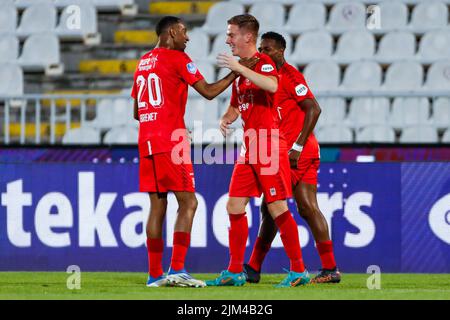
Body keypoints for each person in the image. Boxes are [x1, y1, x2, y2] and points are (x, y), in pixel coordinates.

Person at [131, 16, 258, 287]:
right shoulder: (177, 59)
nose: (187, 38)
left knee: (157, 205)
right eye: (185, 32)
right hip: (169, 140)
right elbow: (209, 92)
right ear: (173, 32)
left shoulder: (143, 62)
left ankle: (154, 276)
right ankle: (177, 269)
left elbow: (136, 112)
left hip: (147, 139)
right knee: (189, 202)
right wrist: (237, 70)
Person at [206, 14, 310, 288]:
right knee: (234, 204)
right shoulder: (242, 71)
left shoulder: (264, 64)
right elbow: (236, 104)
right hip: (249, 146)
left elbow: (272, 85)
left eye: (232, 34)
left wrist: (239, 69)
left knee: (277, 207)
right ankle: (233, 271)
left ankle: (299, 271)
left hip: (270, 145)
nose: (228, 39)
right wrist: (226, 117)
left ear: (247, 37)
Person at [243, 32, 341, 284]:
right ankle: (329, 269)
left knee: (273, 206)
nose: (263, 53)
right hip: (294, 151)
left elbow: (314, 108)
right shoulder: (268, 77)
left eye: (268, 49)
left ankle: (253, 267)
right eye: (261, 48)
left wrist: (296, 146)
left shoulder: (290, 76)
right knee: (305, 208)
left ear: (281, 51)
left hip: (296, 151)